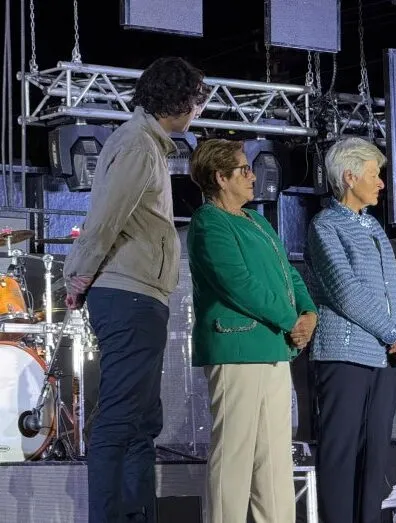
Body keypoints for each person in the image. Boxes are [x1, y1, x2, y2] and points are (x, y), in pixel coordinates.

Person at [63, 57, 206, 523]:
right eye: (196, 100)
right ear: (180, 101)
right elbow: (105, 217)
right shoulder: (137, 145)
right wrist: (78, 277)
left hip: (142, 295)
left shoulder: (148, 144)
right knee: (122, 419)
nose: (198, 110)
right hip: (128, 294)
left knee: (143, 420)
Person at [186, 139, 317, 523]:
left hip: (273, 348)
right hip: (236, 348)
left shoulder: (255, 220)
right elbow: (238, 283)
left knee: (274, 460)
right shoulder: (209, 222)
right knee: (234, 459)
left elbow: (287, 272)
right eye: (243, 170)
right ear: (220, 178)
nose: (252, 176)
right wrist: (290, 319)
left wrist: (307, 311)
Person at [305, 137, 396, 523]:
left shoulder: (371, 225)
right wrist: (393, 334)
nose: (382, 184)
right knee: (341, 456)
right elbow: (345, 292)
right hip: (344, 356)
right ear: (350, 176)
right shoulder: (325, 225)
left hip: (383, 360)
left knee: (375, 458)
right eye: (375, 175)